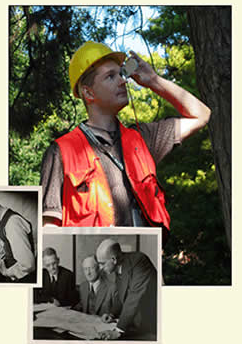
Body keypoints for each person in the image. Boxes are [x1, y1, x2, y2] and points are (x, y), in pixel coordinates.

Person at [41, 41, 211, 239]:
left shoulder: (143, 139)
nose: (123, 81)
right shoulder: (61, 151)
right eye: (110, 77)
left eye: (121, 74)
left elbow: (201, 115)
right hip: (92, 266)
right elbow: (49, 228)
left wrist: (154, 80)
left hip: (144, 266)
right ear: (88, 93)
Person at [96, 239, 157, 341]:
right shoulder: (118, 267)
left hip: (152, 326)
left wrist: (118, 331)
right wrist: (112, 314)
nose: (100, 268)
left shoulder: (139, 261)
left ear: (114, 259)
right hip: (135, 324)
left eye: (102, 263)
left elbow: (134, 297)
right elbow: (122, 295)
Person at [73, 255, 121, 319]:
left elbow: (117, 310)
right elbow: (82, 304)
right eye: (85, 269)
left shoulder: (112, 287)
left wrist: (111, 315)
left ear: (99, 268)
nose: (88, 273)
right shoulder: (83, 286)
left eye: (91, 268)